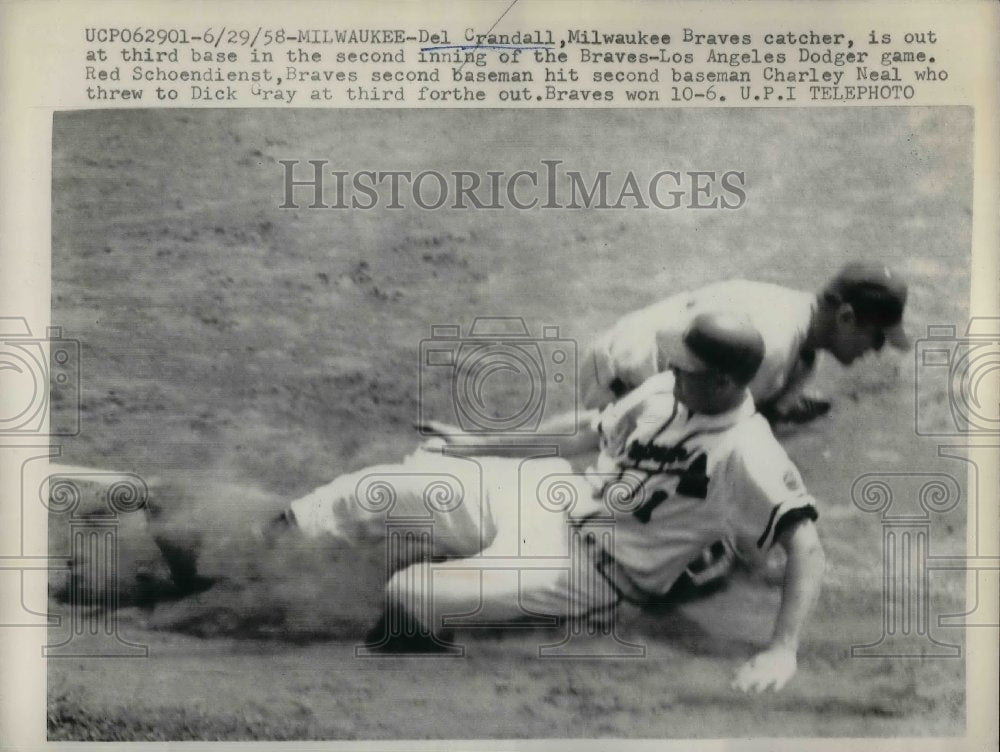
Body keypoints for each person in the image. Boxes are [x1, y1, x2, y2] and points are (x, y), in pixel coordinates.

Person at [270, 312, 826, 693]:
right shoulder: (666, 391)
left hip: (589, 572)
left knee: (411, 594)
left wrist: (783, 649)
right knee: (372, 491)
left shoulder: (747, 452)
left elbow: (805, 545)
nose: (673, 369)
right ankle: (242, 558)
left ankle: (386, 686)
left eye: (688, 366)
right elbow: (584, 433)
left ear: (726, 381)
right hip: (551, 499)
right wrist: (474, 443)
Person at [579, 261, 910, 424]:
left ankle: (760, 404)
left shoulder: (803, 343)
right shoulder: (775, 342)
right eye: (877, 338)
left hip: (648, 358)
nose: (876, 351)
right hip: (620, 376)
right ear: (847, 318)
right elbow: (703, 430)